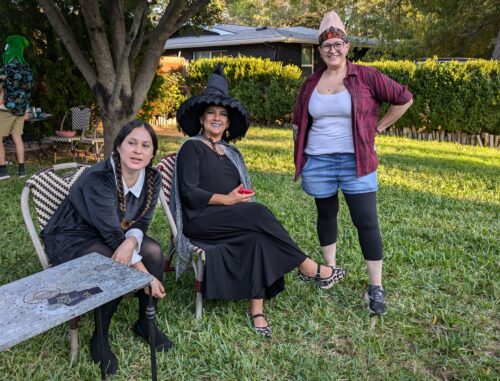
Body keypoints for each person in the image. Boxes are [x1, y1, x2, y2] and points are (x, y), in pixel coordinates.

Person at [171, 65, 345, 338]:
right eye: (211, 113)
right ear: (202, 119)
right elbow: (188, 192)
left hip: (230, 217)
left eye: (222, 115)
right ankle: (307, 266)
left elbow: (238, 189)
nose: (217, 118)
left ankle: (257, 310)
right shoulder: (191, 148)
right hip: (201, 221)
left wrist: (239, 197)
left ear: (228, 123)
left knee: (259, 238)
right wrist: (227, 200)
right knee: (259, 212)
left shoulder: (230, 153)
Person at [292, 11, 413, 316]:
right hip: (318, 161)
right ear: (320, 51)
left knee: (366, 220)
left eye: (338, 44)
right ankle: (329, 269)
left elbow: (404, 98)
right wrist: (301, 152)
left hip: (356, 161)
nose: (332, 50)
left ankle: (376, 286)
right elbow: (298, 120)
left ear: (346, 46)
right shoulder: (311, 83)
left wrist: (380, 127)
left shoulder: (366, 75)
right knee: (326, 213)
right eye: (326, 46)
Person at [42, 121, 172, 375]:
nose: (138, 151)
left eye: (145, 146)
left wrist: (132, 242)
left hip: (117, 233)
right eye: (131, 143)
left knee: (154, 251)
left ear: (152, 152)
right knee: (109, 261)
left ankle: (146, 323)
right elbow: (111, 233)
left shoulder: (153, 177)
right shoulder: (98, 177)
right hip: (75, 234)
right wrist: (144, 274)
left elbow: (142, 221)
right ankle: (100, 335)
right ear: (118, 147)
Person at [0, 34, 33, 180]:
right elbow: (28, 92)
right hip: (21, 110)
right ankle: (21, 170)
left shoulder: (7, 69)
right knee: (17, 137)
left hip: (6, 109)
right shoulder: (28, 69)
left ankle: (3, 172)